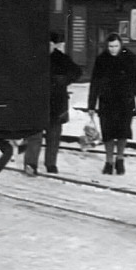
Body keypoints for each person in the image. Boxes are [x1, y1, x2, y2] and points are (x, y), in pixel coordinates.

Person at [88, 32, 136, 175]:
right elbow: (95, 83)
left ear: (121, 45)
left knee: (123, 132)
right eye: (110, 46)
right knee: (107, 133)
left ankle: (120, 159)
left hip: (125, 101)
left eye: (115, 46)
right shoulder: (101, 59)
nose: (113, 49)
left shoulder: (130, 58)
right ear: (107, 46)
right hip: (106, 102)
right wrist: (91, 105)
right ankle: (109, 161)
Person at [23, 32, 82, 176]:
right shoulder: (33, 58)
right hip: (36, 103)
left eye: (49, 44)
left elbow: (77, 72)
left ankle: (51, 164)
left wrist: (64, 80)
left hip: (57, 103)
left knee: (54, 135)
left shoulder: (62, 59)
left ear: (54, 45)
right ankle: (31, 164)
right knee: (34, 135)